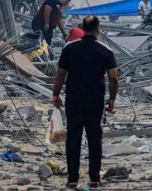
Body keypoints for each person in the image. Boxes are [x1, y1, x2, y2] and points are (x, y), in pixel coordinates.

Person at [53, 16, 118, 190]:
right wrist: (112, 99)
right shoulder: (105, 50)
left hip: (74, 98)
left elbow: (60, 74)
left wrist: (55, 94)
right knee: (94, 138)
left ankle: (72, 179)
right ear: (98, 29)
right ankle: (94, 179)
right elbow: (113, 78)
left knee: (73, 138)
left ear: (82, 28)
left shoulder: (70, 48)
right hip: (95, 99)